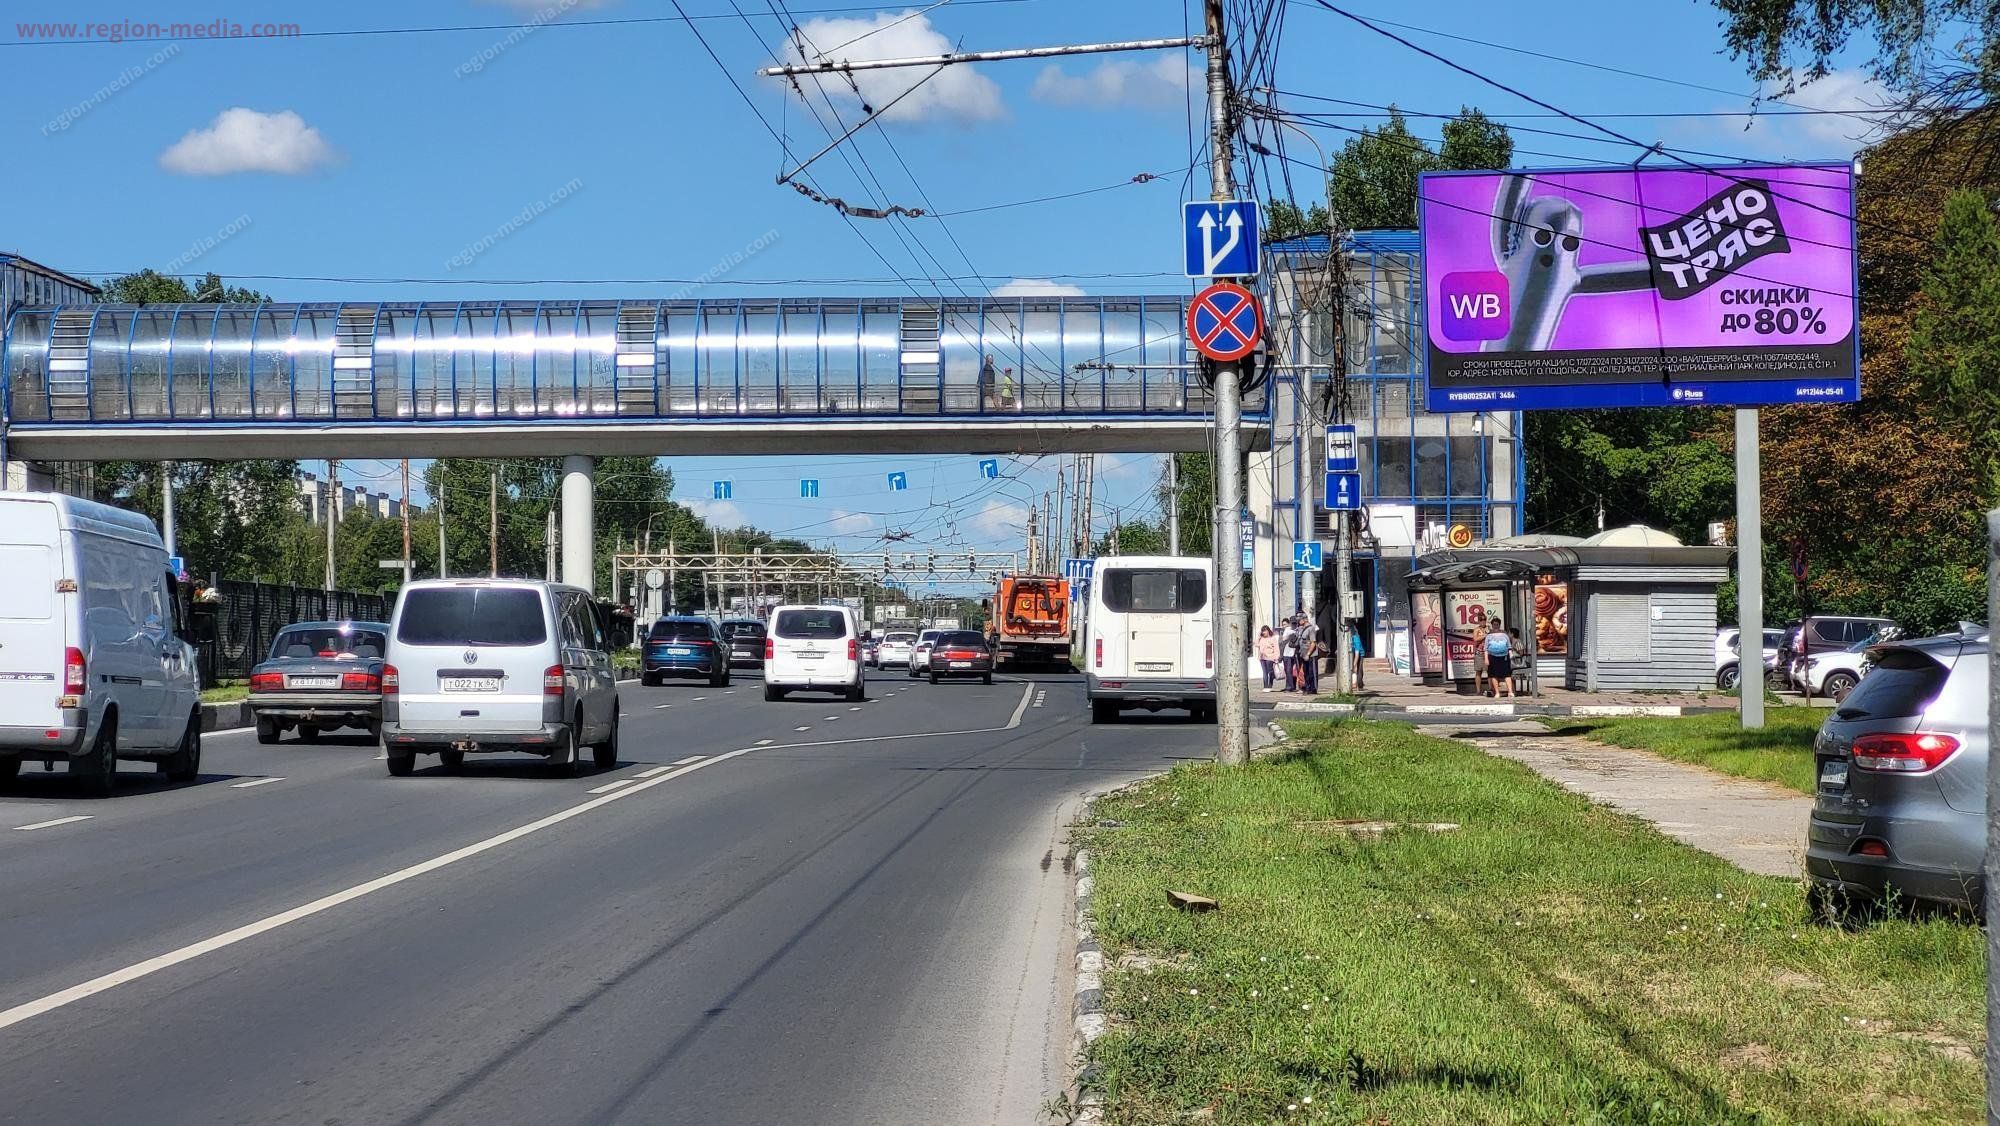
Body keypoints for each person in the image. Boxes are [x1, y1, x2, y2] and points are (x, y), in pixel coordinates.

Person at [1484, 622, 1515, 698]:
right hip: (1492, 657)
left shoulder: (1504, 635)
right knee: (1494, 675)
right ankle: (1497, 693)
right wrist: (1486, 659)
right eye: (1494, 625)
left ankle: (1510, 692)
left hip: (1504, 657)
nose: (1496, 626)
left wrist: (1511, 655)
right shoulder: (1488, 636)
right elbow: (1485, 649)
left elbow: (1509, 647)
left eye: (1497, 624)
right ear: (1492, 626)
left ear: (1499, 625)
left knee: (1507, 674)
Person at [1256, 625, 1280, 689]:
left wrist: (1276, 657)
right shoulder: (1261, 638)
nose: (1264, 632)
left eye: (1265, 631)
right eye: (1262, 631)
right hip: (1262, 657)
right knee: (1264, 672)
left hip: (1270, 657)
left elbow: (1276, 648)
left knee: (1270, 671)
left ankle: (1270, 683)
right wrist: (1258, 637)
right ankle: (1265, 686)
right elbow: (1256, 644)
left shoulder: (1272, 638)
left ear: (1268, 631)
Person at [1279, 619, 1299, 691]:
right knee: (1289, 670)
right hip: (1288, 653)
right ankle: (1290, 686)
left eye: (1295, 624)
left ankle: (1290, 686)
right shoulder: (1292, 630)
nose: (1293, 625)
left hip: (1292, 653)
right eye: (1292, 624)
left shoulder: (1292, 630)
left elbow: (1284, 639)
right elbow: (1284, 640)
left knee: (1289, 670)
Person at [1349, 625, 1366, 692]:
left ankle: (1360, 685)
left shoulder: (1356, 639)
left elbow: (1357, 654)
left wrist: (1354, 665)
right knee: (1351, 669)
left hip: (1360, 654)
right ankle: (1352, 683)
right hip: (1352, 652)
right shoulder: (1349, 637)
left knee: (1359, 669)